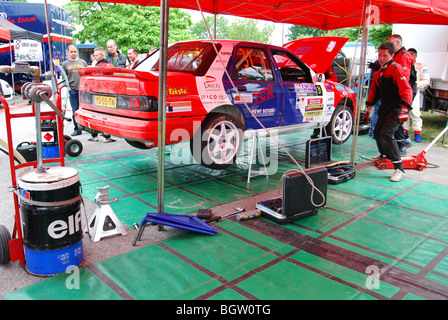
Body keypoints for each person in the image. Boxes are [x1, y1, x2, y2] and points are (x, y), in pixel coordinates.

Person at [365, 41, 413, 182]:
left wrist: (404, 110)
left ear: (392, 55)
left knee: (386, 133)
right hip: (385, 106)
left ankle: (399, 169)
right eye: (380, 55)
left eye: (385, 56)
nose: (381, 58)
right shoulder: (379, 71)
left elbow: (407, 90)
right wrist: (368, 109)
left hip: (396, 107)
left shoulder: (396, 69)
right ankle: (384, 155)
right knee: (377, 132)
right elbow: (374, 91)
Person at [387, 34, 414, 153]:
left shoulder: (404, 55)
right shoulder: (396, 55)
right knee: (396, 118)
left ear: (398, 43)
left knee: (397, 118)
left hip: (405, 91)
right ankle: (405, 140)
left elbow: (404, 77)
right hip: (398, 90)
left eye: (391, 44)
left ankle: (401, 145)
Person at [88, 47, 115, 143]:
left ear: (102, 55)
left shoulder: (98, 66)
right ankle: (106, 136)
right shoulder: (109, 65)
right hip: (105, 94)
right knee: (105, 116)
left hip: (98, 94)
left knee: (98, 115)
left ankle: (96, 135)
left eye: (97, 55)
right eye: (94, 55)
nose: (95, 57)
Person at [404, 48, 430, 143]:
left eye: (412, 54)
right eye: (408, 53)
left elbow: (426, 80)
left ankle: (417, 133)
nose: (410, 55)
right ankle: (405, 133)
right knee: (404, 111)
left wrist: (416, 84)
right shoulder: (404, 65)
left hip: (414, 91)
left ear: (416, 55)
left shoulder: (421, 66)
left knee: (415, 112)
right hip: (405, 92)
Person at [61, 44, 88, 136]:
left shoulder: (83, 62)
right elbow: (63, 77)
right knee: (75, 110)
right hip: (73, 89)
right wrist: (67, 86)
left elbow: (87, 74)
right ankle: (77, 129)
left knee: (86, 109)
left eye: (75, 51)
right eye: (71, 52)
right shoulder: (65, 64)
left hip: (83, 90)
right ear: (68, 53)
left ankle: (88, 128)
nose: (73, 53)